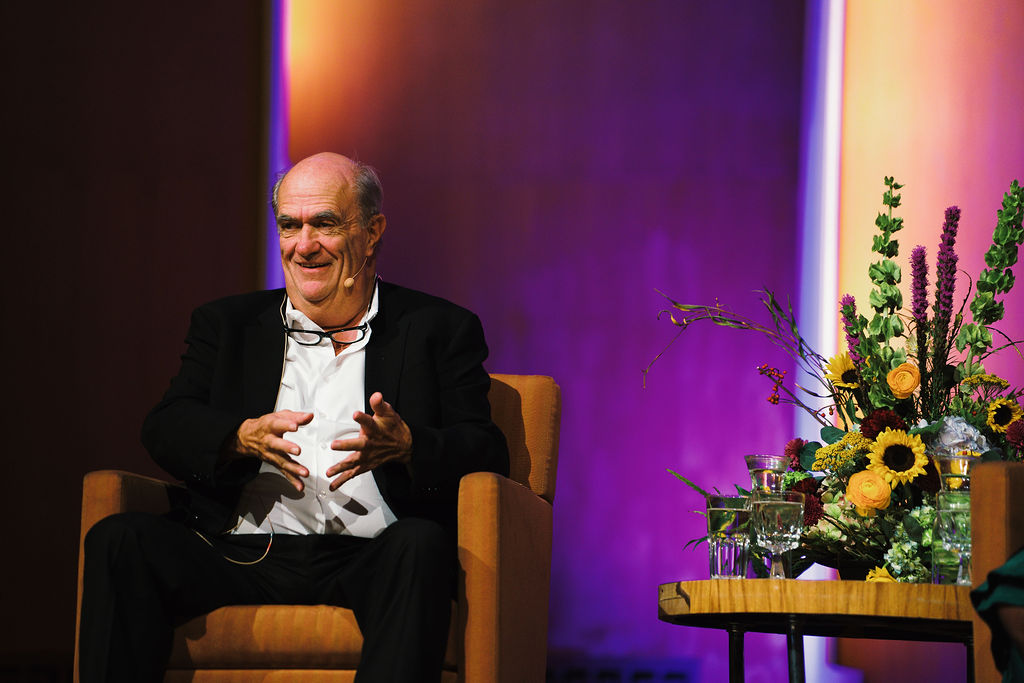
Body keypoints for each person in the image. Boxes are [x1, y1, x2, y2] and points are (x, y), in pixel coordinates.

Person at [79, 152, 510, 682]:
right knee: (119, 539)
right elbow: (165, 425)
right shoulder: (227, 324)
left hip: (370, 555)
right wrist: (236, 437)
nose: (303, 245)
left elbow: (487, 449)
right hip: (240, 551)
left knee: (420, 545)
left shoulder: (439, 328)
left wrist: (410, 446)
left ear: (372, 232)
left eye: (324, 224)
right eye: (290, 225)